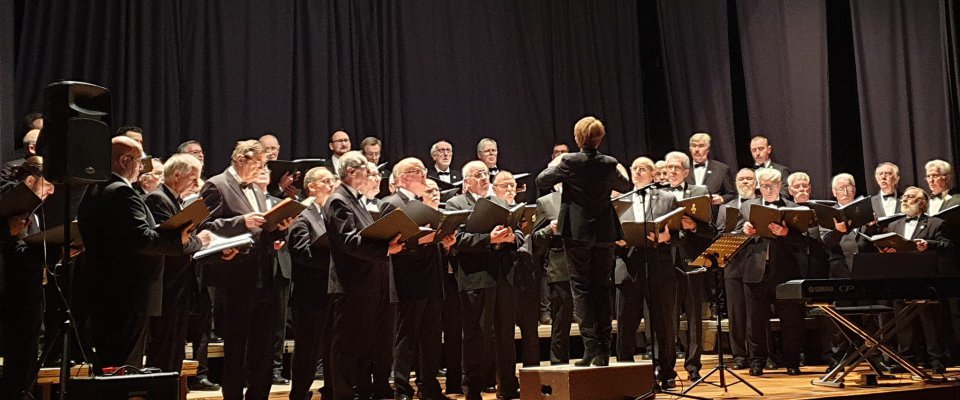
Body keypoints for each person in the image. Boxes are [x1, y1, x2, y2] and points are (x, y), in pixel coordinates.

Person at [77, 136, 212, 370]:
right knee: (124, 367)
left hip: (103, 291)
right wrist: (181, 240)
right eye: (139, 162)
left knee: (111, 365)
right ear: (124, 160)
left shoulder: (94, 190)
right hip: (128, 294)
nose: (141, 169)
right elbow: (144, 240)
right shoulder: (122, 193)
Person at [197, 139, 296, 399]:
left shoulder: (256, 189)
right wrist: (242, 221)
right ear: (241, 159)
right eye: (258, 164)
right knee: (237, 347)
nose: (261, 169)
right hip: (236, 278)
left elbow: (264, 227)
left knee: (264, 348)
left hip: (266, 275)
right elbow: (203, 226)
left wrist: (280, 227)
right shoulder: (216, 185)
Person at [536, 116, 632, 368]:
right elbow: (624, 185)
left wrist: (558, 163)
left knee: (581, 288)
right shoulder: (609, 163)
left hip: (577, 233)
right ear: (600, 138)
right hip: (603, 232)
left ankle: (592, 347)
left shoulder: (569, 162)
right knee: (602, 286)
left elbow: (542, 180)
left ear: (578, 138)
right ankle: (602, 350)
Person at [325, 151, 403, 400]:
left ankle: (362, 390)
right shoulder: (338, 200)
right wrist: (384, 248)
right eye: (366, 171)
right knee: (346, 346)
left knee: (363, 343)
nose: (370, 175)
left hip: (365, 282)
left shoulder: (354, 199)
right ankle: (344, 394)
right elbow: (348, 241)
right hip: (350, 284)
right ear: (351, 172)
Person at [381, 158, 456, 400]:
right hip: (408, 279)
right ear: (401, 178)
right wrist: (417, 241)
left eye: (424, 171)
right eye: (416, 172)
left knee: (431, 337)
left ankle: (428, 385)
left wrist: (445, 244)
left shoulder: (425, 204)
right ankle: (402, 387)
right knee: (407, 336)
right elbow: (389, 243)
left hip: (432, 277)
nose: (423, 175)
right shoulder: (391, 204)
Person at [446, 160, 522, 400]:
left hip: (503, 276)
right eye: (478, 174)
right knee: (476, 334)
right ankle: (473, 389)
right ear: (466, 181)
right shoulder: (456, 203)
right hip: (475, 277)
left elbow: (519, 232)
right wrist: (488, 238)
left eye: (486, 173)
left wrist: (511, 237)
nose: (484, 178)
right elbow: (457, 240)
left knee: (505, 334)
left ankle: (508, 386)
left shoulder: (499, 202)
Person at [614, 156, 681, 387]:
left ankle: (666, 372)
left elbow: (677, 233)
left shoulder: (667, 198)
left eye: (643, 169)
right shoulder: (620, 201)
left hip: (658, 265)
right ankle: (625, 371)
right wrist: (617, 242)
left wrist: (667, 237)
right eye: (634, 168)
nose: (638, 172)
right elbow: (610, 235)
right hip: (628, 266)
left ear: (653, 174)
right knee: (626, 323)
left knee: (662, 322)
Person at [733, 168, 804, 376]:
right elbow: (734, 236)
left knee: (791, 320)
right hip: (755, 272)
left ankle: (792, 361)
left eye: (773, 185)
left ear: (780, 186)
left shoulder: (792, 208)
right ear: (759, 186)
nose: (769, 189)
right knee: (755, 322)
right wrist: (743, 231)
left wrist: (786, 233)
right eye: (764, 185)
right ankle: (757, 362)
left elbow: (804, 242)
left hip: (785, 273)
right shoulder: (747, 207)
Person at [876, 186, 951, 373]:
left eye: (910, 197)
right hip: (901, 278)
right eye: (904, 197)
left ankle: (936, 360)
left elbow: (946, 245)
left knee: (930, 320)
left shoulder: (936, 223)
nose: (905, 200)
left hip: (925, 279)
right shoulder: (895, 225)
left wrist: (928, 245)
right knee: (903, 321)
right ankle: (906, 360)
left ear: (922, 203)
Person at [143, 154, 206, 373]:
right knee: (164, 348)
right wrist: (200, 241)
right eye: (193, 178)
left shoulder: (172, 199)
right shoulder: (158, 199)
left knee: (175, 348)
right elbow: (170, 243)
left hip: (178, 286)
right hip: (167, 285)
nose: (197, 185)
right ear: (177, 175)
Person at [0, 156, 54, 400]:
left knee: (28, 358)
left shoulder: (33, 209)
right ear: (31, 180)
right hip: (12, 295)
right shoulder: (11, 201)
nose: (52, 191)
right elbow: (14, 251)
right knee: (18, 359)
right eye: (47, 183)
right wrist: (6, 231)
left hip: (30, 293)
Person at [662, 151, 716, 382]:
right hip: (666, 261)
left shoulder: (699, 192)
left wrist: (693, 226)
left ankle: (693, 365)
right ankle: (668, 368)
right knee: (669, 317)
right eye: (669, 168)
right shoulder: (658, 194)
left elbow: (711, 231)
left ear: (686, 171)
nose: (672, 171)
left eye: (677, 168)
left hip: (692, 261)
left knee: (694, 315)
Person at [287, 166, 338, 400]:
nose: (331, 185)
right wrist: (334, 256)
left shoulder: (329, 212)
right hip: (310, 293)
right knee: (308, 348)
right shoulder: (302, 214)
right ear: (311, 186)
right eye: (325, 181)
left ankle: (331, 389)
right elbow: (300, 252)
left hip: (331, 291)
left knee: (332, 346)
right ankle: (298, 393)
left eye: (332, 180)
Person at [715, 168, 757, 370]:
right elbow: (721, 234)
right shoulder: (726, 208)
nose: (745, 182)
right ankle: (739, 355)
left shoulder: (761, 205)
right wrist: (742, 231)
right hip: (732, 265)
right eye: (741, 179)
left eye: (749, 178)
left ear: (756, 182)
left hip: (757, 265)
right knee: (736, 313)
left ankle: (758, 355)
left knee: (756, 314)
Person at [531, 181, 574, 364]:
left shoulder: (587, 198)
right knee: (561, 322)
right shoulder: (546, 202)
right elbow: (535, 239)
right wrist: (550, 229)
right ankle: (558, 364)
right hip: (561, 267)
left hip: (587, 265)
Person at [686, 133, 735, 205]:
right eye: (694, 146)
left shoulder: (722, 169)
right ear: (690, 149)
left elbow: (732, 194)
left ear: (708, 149)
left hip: (714, 213)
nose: (696, 149)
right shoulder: (683, 170)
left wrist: (722, 199)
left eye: (701, 146)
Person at [260, 134, 298, 199]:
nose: (270, 152)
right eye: (266, 149)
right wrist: (281, 187)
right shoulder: (257, 170)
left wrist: (293, 196)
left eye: (273, 148)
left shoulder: (286, 167)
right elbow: (263, 198)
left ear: (278, 149)